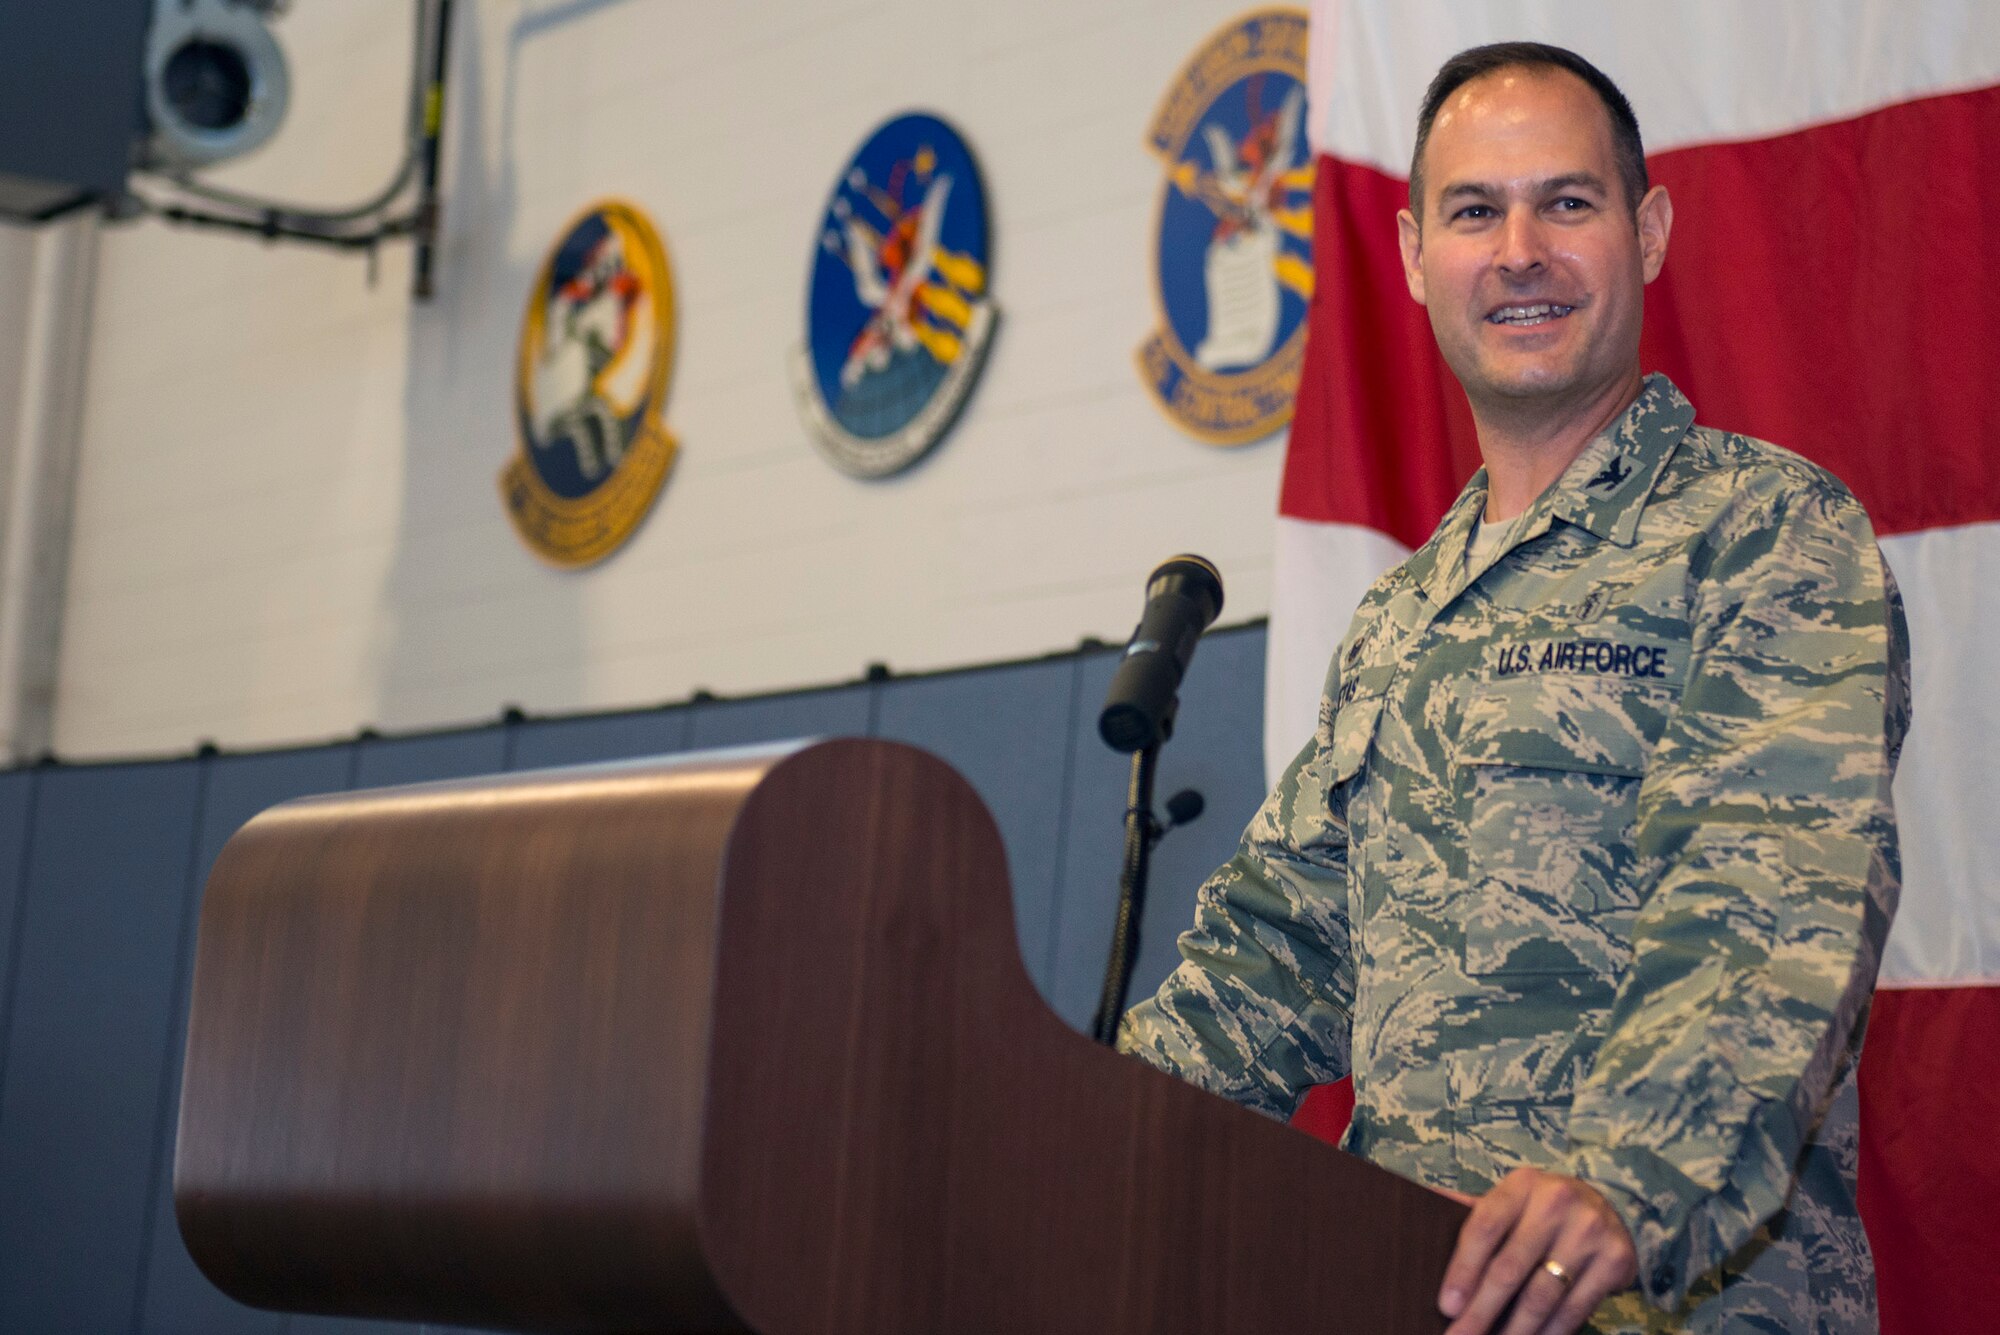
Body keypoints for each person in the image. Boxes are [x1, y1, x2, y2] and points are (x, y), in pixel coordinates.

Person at [1118, 41, 1909, 1335]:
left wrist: (1625, 1179)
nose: (1521, 249)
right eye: (1476, 211)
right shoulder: (1400, 618)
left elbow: (1771, 900)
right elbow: (1273, 964)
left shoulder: (1763, 529)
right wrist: (1056, 1135)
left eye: (1569, 202)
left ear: (1647, 232)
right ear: (1418, 254)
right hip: (1407, 1295)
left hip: (1682, 1304)